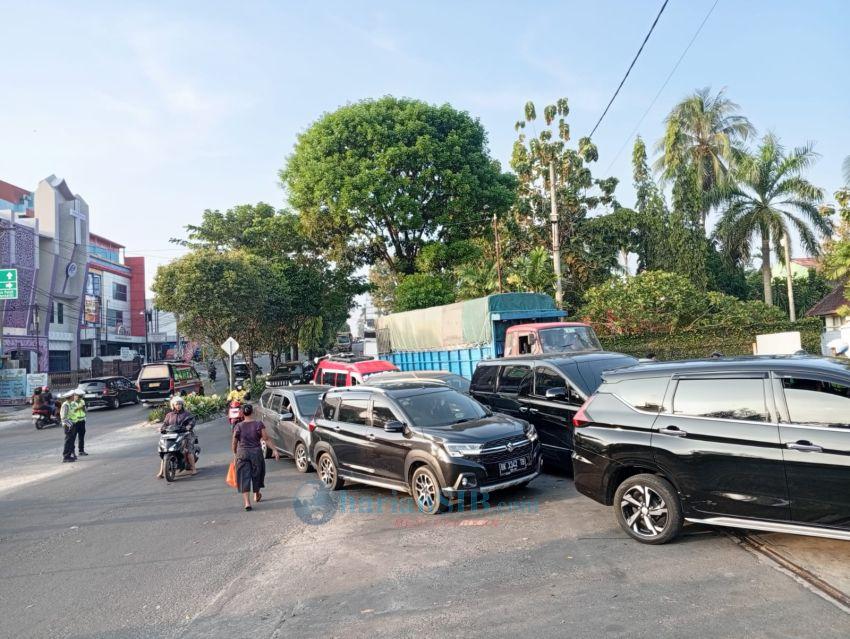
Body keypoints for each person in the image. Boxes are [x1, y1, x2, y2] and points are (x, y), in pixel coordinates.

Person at [231, 404, 278, 511]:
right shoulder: (258, 424)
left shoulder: (238, 426)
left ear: (242, 413)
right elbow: (266, 438)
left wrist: (235, 454)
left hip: (242, 454)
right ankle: (256, 494)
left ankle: (247, 503)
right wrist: (274, 450)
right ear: (252, 412)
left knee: (244, 477)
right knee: (257, 474)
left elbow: (234, 443)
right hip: (256, 453)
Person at [157, 396, 197, 478]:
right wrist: (162, 428)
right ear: (173, 405)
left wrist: (189, 426)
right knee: (165, 451)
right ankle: (161, 472)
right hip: (172, 434)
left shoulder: (187, 414)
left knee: (188, 451)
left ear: (182, 405)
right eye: (176, 404)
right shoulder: (169, 415)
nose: (178, 406)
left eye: (180, 404)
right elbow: (165, 424)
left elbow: (192, 421)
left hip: (185, 434)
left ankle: (193, 469)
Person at [59, 390, 81, 463]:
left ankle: (69, 455)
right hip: (67, 425)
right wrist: (70, 425)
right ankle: (66, 456)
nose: (74, 397)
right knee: (68, 441)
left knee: (71, 441)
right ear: (70, 397)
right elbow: (64, 417)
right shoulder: (66, 405)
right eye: (73, 396)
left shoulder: (70, 404)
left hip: (71, 424)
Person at [65, 388, 88, 457]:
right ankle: (72, 452)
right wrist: (78, 407)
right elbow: (71, 411)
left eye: (80, 396)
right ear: (74, 396)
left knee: (81, 436)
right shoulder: (72, 403)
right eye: (77, 396)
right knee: (73, 437)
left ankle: (81, 450)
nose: (79, 397)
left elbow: (84, 410)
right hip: (75, 422)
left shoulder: (82, 401)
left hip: (82, 421)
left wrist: (83, 407)